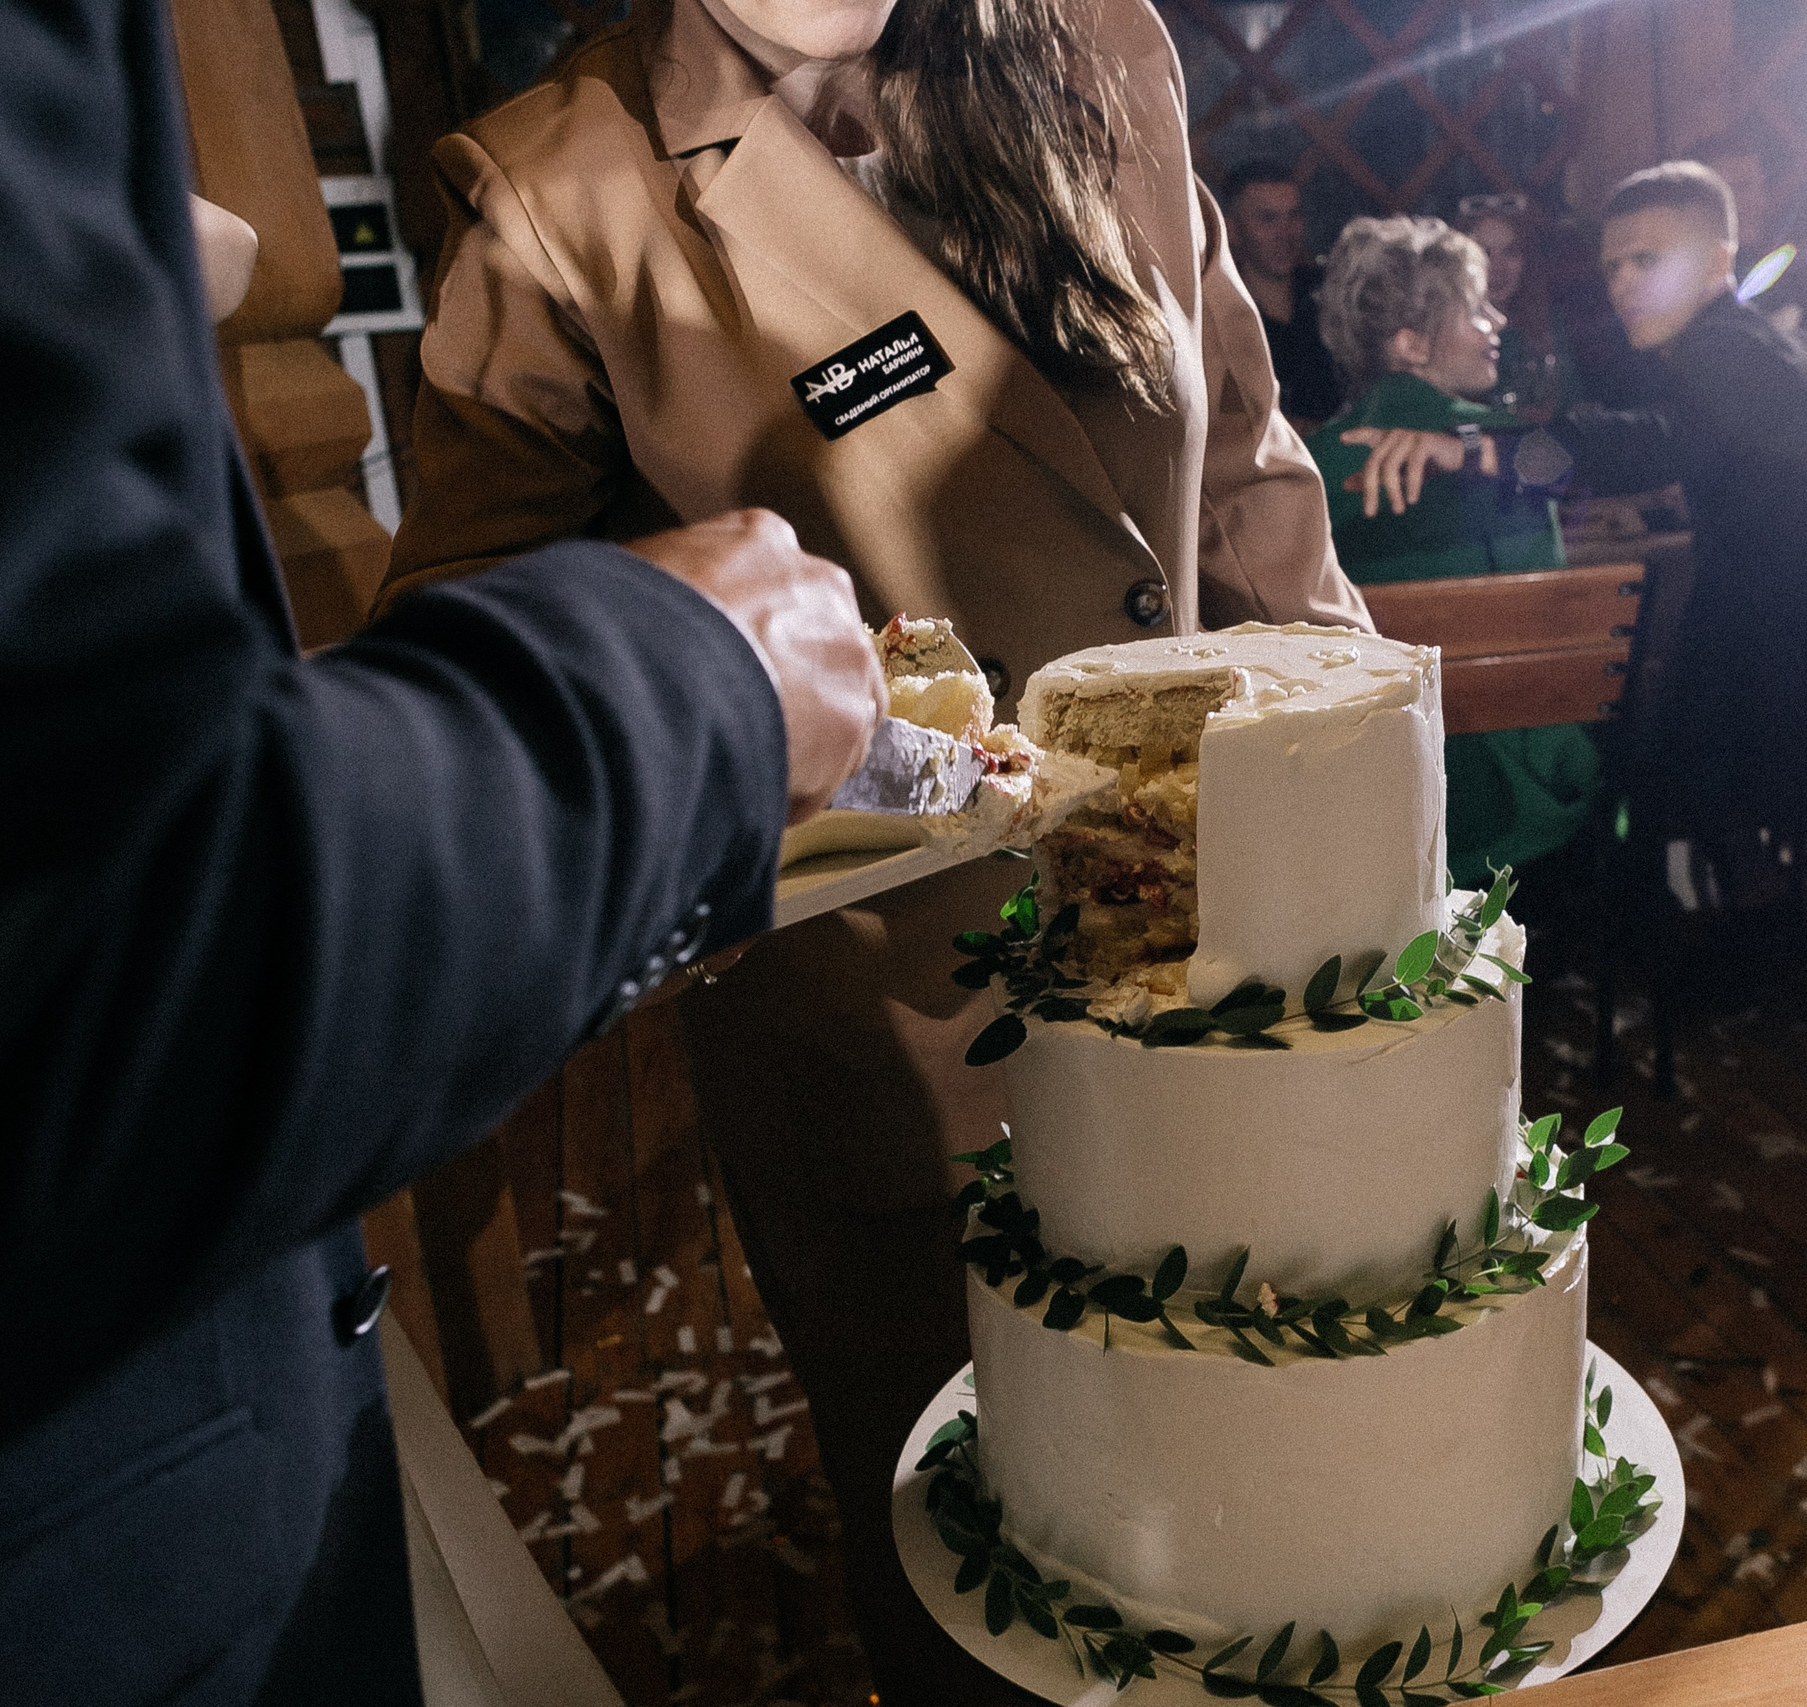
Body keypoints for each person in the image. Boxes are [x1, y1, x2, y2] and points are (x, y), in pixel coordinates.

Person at [0, 2, 886, 1701]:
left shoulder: (1087, 71)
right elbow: (49, 921)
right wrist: (686, 687)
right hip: (29, 1530)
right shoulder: (555, 180)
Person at [378, 1, 1367, 1696]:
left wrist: (1366, 790)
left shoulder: (1099, 43)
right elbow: (475, 683)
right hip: (906, 1036)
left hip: (1224, 949)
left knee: (1261, 1492)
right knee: (990, 1574)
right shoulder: (562, 195)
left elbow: (1248, 460)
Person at [1345, 160, 1807, 841]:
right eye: (1613, 267)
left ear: (1718, 260)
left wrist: (1472, 450)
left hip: (1796, 676)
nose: (1624, 285)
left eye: (1648, 260)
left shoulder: (1720, 351)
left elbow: (1651, 440)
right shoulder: (1787, 346)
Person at [1303, 215, 1599, 915]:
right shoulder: (1512, 453)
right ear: (1409, 343)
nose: (1498, 318)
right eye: (1474, 307)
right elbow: (1581, 474)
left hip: (1370, 798)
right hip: (1523, 799)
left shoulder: (1305, 468)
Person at [1220, 158, 1347, 429]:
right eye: (1268, 219)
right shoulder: (1222, 315)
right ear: (1232, 230)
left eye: (1294, 216)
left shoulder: (1332, 295)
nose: (1285, 233)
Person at [1459, 193, 1569, 421]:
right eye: (1484, 253)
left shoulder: (1548, 323)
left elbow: (1571, 403)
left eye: (1511, 252)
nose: (1497, 267)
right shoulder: (1451, 333)